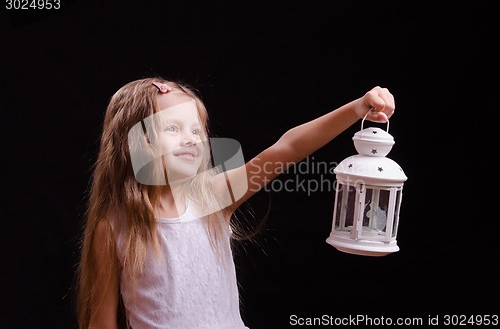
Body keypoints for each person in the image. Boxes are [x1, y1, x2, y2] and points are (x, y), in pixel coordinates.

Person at [75, 77, 395, 329]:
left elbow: (286, 149)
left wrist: (356, 109)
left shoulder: (211, 198)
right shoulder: (115, 227)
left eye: (197, 130)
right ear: (134, 141)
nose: (191, 139)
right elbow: (101, 322)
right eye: (173, 128)